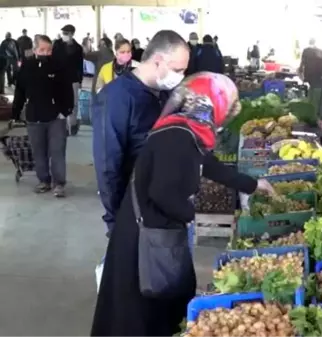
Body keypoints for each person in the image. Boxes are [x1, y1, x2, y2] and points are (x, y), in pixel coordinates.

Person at [91, 72, 275, 337]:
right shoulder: (177, 135)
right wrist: (190, 215)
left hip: (150, 230)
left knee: (159, 300)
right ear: (212, 104)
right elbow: (162, 193)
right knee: (144, 308)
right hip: (147, 238)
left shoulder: (185, 130)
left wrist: (252, 184)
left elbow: (208, 164)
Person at [92, 30, 189, 235]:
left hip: (168, 208)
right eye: (177, 70)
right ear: (158, 61)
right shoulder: (117, 97)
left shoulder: (165, 94)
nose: (180, 76)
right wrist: (116, 220)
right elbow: (108, 165)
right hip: (135, 212)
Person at [11, 35, 73, 197]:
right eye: (42, 50)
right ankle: (44, 180)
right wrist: (15, 113)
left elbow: (67, 90)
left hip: (56, 118)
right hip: (34, 117)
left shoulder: (58, 66)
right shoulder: (27, 66)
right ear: (34, 50)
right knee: (39, 152)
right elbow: (20, 92)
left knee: (57, 151)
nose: (46, 53)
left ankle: (59, 183)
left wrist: (65, 111)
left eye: (49, 50)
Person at [52, 24, 84, 135]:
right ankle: (63, 126)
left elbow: (80, 65)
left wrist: (80, 80)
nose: (63, 35)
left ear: (72, 34)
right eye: (63, 33)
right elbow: (53, 60)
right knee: (61, 101)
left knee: (73, 103)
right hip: (59, 77)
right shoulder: (57, 44)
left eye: (66, 33)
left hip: (73, 78)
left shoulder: (78, 48)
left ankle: (73, 124)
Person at [298, 38, 322, 111]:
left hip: (312, 78)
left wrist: (301, 74)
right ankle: (313, 114)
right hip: (318, 78)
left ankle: (312, 113)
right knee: (314, 98)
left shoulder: (307, 51)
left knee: (312, 98)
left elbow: (302, 64)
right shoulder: (321, 52)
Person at [85, 37, 114, 104]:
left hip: (99, 84)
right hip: (110, 83)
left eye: (99, 44)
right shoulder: (112, 54)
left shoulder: (100, 53)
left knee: (97, 106)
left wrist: (88, 44)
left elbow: (86, 55)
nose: (98, 46)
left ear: (103, 44)